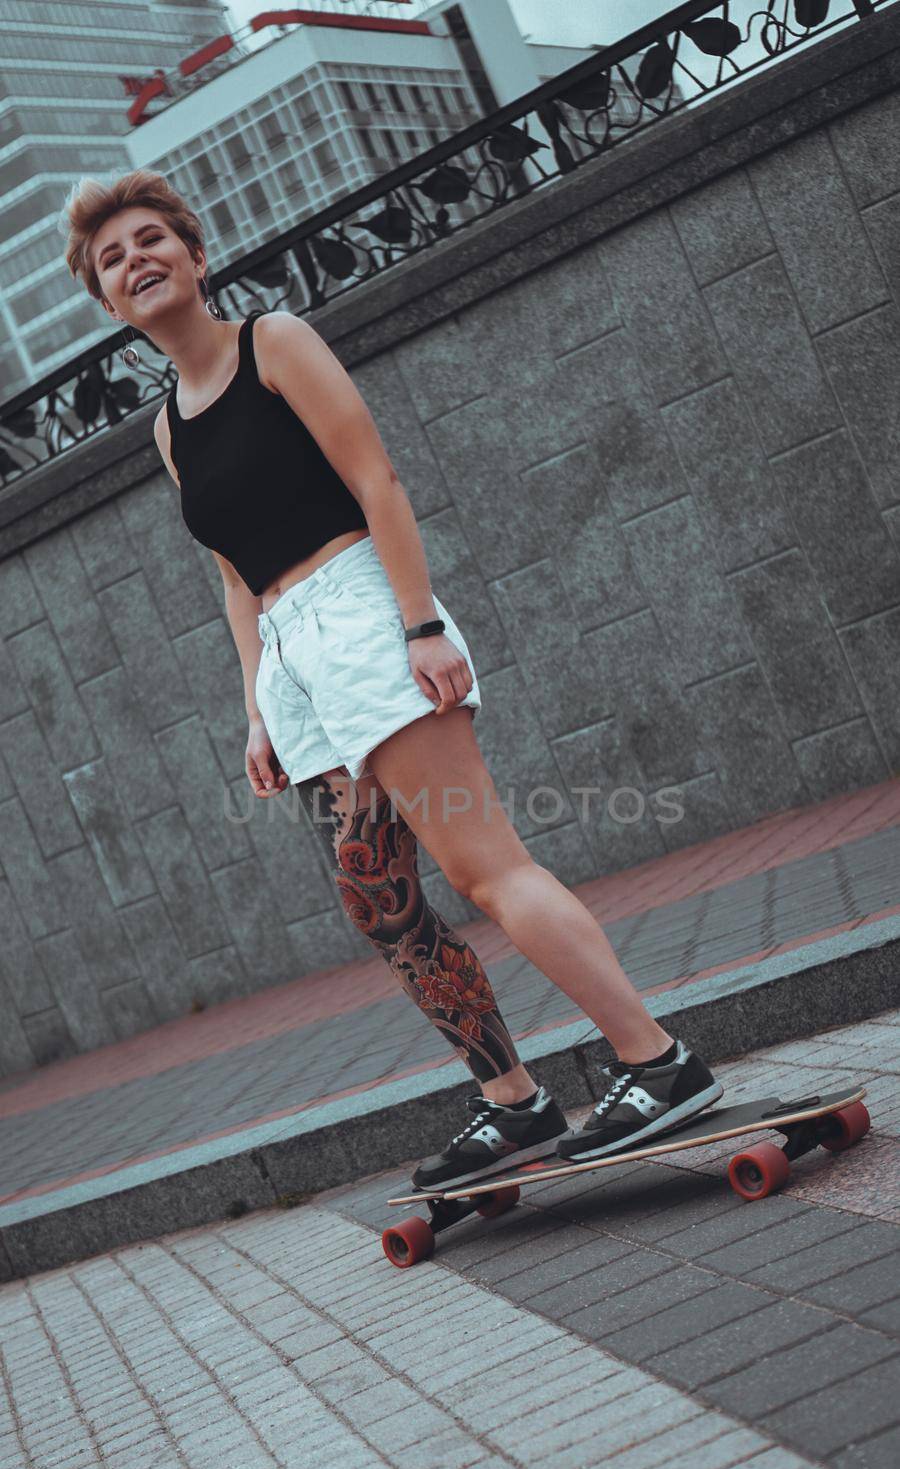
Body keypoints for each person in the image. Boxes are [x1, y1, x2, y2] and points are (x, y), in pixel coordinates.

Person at [62, 170, 722, 1189]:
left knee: (483, 867)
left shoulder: (271, 344)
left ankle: (658, 1061)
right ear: (106, 301)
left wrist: (419, 622)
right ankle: (515, 1101)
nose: (135, 260)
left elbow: (377, 478)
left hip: (363, 616)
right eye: (113, 258)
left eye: (152, 239)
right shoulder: (167, 425)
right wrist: (255, 711)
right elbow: (234, 575)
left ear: (194, 255)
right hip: (290, 653)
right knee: (384, 903)